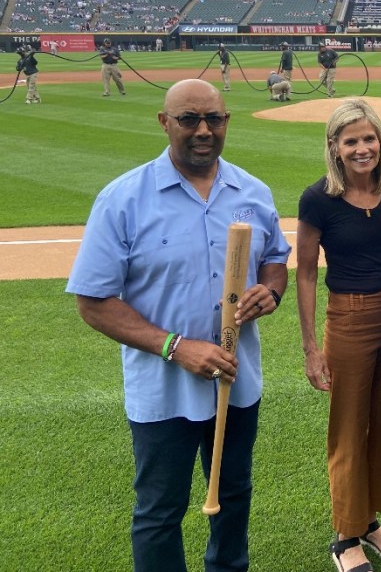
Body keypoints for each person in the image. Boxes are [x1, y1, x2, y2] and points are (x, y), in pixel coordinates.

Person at [66, 79, 292, 572]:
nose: (203, 130)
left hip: (236, 383)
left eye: (214, 119)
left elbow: (275, 259)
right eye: (189, 119)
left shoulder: (253, 192)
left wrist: (270, 291)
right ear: (165, 123)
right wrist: (175, 346)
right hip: (164, 390)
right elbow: (93, 302)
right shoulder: (123, 199)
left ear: (227, 122)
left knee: (233, 494)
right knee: (160, 510)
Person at [296, 99, 381, 572]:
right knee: (348, 428)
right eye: (351, 141)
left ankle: (368, 522)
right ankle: (345, 536)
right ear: (335, 147)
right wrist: (311, 348)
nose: (363, 148)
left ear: (380, 141)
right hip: (349, 318)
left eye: (369, 138)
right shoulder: (318, 199)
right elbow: (305, 272)